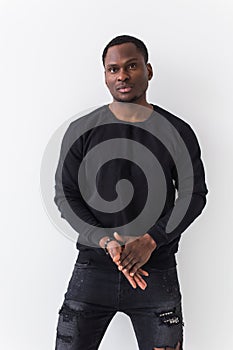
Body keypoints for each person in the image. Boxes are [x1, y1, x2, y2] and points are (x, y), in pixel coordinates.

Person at [53, 35, 208, 350]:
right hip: (93, 269)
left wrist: (151, 240)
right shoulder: (81, 130)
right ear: (106, 76)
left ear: (148, 71)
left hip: (157, 271)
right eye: (113, 70)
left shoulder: (176, 131)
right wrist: (105, 240)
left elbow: (195, 194)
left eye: (131, 66)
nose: (121, 75)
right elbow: (65, 195)